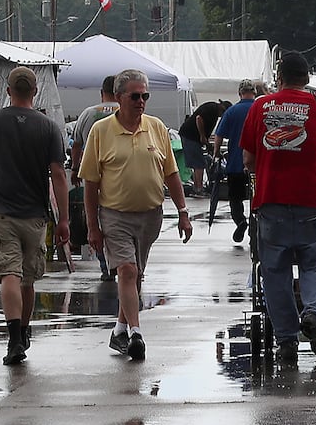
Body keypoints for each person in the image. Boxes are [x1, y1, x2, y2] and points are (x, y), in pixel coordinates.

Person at [241, 50, 316, 368]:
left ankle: (287, 340)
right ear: (307, 78)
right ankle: (315, 314)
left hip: (271, 202)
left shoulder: (261, 106)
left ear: (280, 77)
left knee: (273, 271)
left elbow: (248, 160)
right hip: (314, 202)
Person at [0, 66, 69, 365]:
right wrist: (64, 220)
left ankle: (14, 340)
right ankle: (23, 329)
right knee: (28, 279)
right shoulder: (48, 127)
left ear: (8, 91)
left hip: (2, 213)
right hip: (35, 215)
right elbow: (58, 175)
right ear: (35, 92)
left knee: (9, 274)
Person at [80, 68, 193, 363]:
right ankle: (137, 334)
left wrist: (183, 212)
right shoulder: (101, 131)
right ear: (119, 98)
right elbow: (90, 182)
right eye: (135, 96)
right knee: (127, 271)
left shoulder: (156, 127)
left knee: (135, 274)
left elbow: (171, 173)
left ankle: (119, 329)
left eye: (145, 95)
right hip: (114, 214)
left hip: (150, 215)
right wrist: (92, 226)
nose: (141, 101)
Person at [70, 75, 119, 282]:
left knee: (98, 219)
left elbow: (76, 144)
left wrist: (75, 169)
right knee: (120, 219)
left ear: (102, 93)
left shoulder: (89, 113)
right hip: (119, 175)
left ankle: (105, 264)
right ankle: (127, 261)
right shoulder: (126, 110)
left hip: (93, 175)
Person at [211, 79, 259, 244]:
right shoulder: (260, 109)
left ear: (240, 93)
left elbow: (219, 135)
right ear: (255, 92)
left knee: (235, 198)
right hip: (258, 165)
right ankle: (256, 227)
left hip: (235, 164)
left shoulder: (231, 111)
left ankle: (240, 222)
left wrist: (216, 153)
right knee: (258, 198)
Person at [178, 98, 227, 196]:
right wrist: (202, 136)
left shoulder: (213, 111)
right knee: (199, 164)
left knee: (198, 164)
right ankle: (198, 189)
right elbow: (198, 118)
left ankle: (197, 188)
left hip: (191, 137)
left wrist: (207, 142)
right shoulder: (212, 108)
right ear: (222, 108)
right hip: (190, 136)